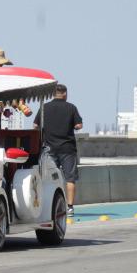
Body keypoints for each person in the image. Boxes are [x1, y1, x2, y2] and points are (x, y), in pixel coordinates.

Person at [40, 83, 83, 214]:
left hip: (49, 149)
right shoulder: (71, 107)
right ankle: (69, 207)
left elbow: (36, 125)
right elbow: (79, 125)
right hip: (67, 149)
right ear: (65, 94)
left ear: (53, 94)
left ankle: (47, 207)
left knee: (48, 178)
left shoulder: (44, 107)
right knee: (70, 178)